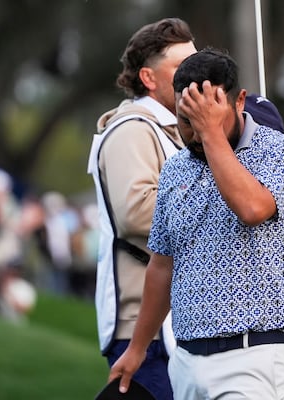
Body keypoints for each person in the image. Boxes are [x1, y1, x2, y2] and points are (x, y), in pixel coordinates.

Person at [110, 48, 284, 399]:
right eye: (187, 121)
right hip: (187, 360)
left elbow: (251, 208)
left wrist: (210, 131)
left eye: (208, 116)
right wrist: (137, 348)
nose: (196, 134)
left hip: (256, 357)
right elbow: (162, 265)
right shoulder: (175, 168)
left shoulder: (281, 151)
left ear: (240, 101)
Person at [87, 18, 196, 400]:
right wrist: (216, 210)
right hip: (144, 329)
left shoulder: (175, 131)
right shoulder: (133, 128)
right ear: (149, 78)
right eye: (183, 68)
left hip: (174, 322)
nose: (195, 76)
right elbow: (137, 214)